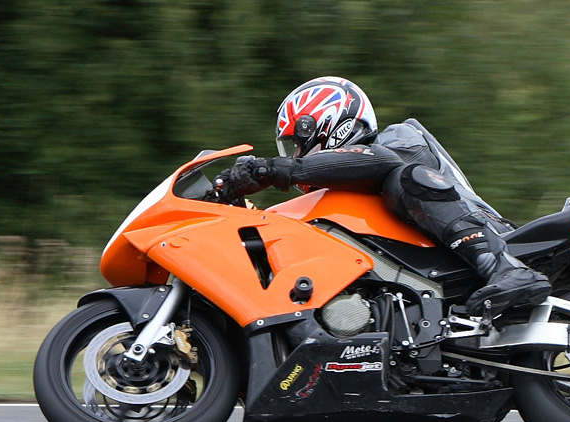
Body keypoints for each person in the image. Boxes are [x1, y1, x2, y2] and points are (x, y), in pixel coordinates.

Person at [219, 76, 551, 316]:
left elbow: (377, 162)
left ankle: (505, 269)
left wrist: (275, 169)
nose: (296, 154)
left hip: (492, 234)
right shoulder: (351, 188)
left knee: (404, 179)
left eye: (297, 144)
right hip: (437, 273)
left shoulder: (398, 140)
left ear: (327, 124)